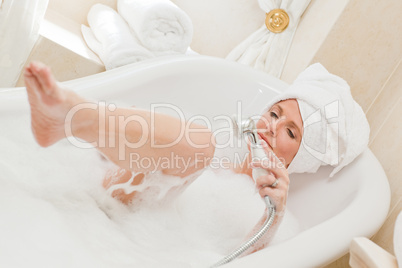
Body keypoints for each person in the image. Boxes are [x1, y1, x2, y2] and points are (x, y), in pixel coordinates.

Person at [23, 60, 369, 254]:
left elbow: (244, 261)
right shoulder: (222, 147)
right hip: (107, 205)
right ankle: (74, 120)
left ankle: (72, 119)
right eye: (275, 113)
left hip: (129, 236)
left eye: (291, 132)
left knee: (200, 143)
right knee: (201, 140)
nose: (271, 126)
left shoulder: (273, 216)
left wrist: (274, 215)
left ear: (302, 159)